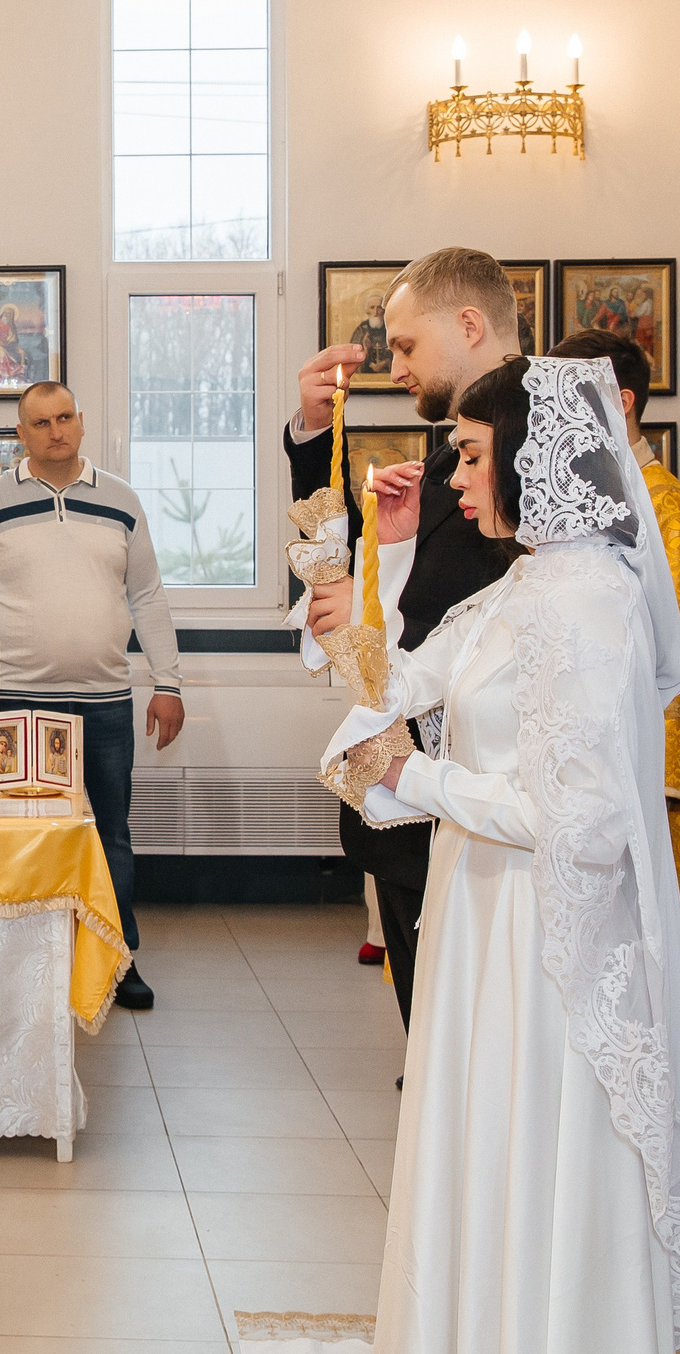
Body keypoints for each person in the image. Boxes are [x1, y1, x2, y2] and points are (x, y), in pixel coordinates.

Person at [324, 355, 680, 1354]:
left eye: (470, 456)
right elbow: (395, 687)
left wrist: (416, 780)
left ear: (529, 453)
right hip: (486, 911)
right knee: (484, 1158)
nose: (458, 480)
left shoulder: (586, 602)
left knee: (536, 1158)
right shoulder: (526, 584)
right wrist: (385, 558)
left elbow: (585, 823)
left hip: (544, 939)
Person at [289, 247, 524, 1029]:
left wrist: (362, 617)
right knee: (430, 1047)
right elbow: (363, 590)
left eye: (406, 346)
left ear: (469, 324)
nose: (395, 367)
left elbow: (454, 634)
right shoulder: (442, 466)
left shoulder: (535, 468)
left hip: (488, 811)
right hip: (404, 810)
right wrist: (315, 433)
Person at [0, 380, 181, 1011]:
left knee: (111, 837)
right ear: (20, 434)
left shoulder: (122, 502)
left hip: (105, 702)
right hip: (16, 705)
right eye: (41, 422)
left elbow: (149, 597)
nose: (56, 431)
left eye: (65, 418)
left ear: (81, 422)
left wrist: (168, 683)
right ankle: (22, 965)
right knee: (18, 836)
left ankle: (119, 961)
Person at [554, 330, 680, 1127]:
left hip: (658, 781)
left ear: (620, 402)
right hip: (597, 778)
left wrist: (649, 781)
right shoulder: (589, 504)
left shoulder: (678, 519)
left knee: (667, 949)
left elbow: (677, 672)